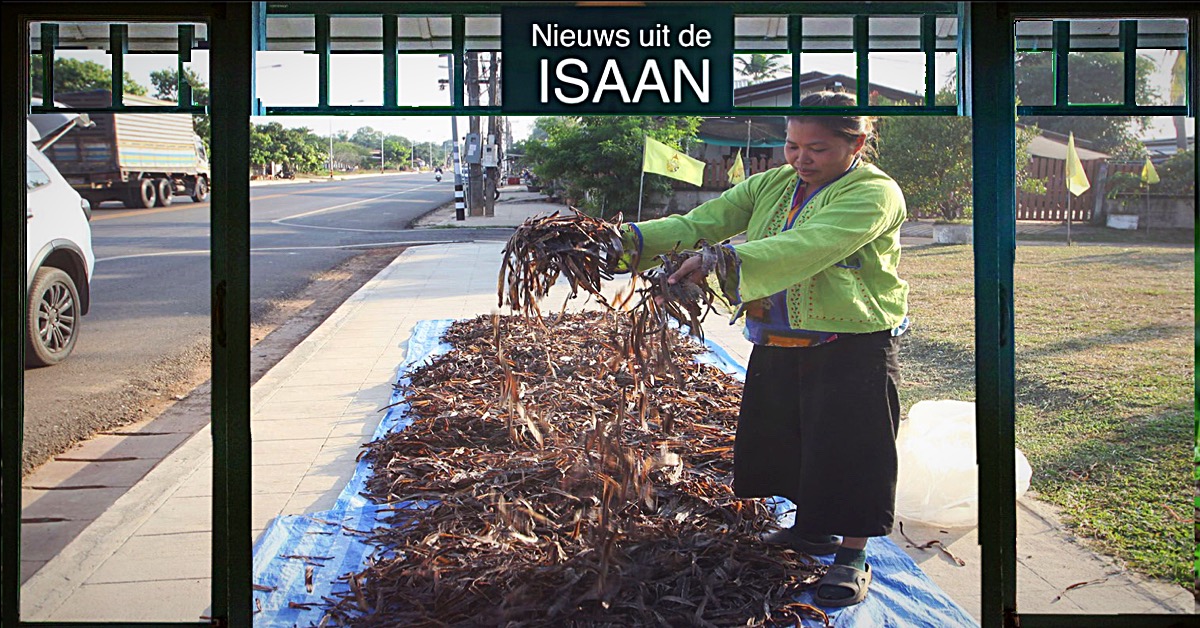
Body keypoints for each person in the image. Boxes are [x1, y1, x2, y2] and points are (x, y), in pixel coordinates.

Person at [615, 91, 908, 607]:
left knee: (851, 450)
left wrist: (719, 261)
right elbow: (696, 224)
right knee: (791, 440)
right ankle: (811, 531)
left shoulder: (875, 193)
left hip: (850, 342)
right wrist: (622, 241)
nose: (800, 159)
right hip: (777, 335)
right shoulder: (773, 183)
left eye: (816, 148)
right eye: (792, 146)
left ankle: (852, 557)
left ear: (856, 143)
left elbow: (811, 244)